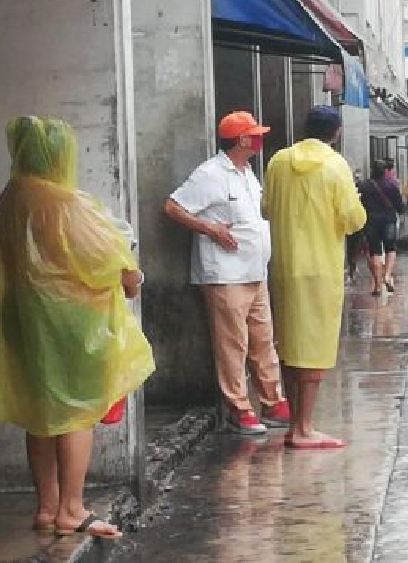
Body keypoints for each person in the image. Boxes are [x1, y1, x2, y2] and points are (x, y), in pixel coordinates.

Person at [0, 116, 155, 539]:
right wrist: (132, 279)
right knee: (76, 413)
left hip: (24, 322)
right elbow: (111, 259)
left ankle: (47, 507)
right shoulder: (65, 203)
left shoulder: (10, 199)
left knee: (42, 413)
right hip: (74, 325)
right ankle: (72, 507)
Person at [164, 111, 289, 435]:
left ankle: (273, 401)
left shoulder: (247, 172)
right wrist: (209, 229)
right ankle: (239, 408)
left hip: (254, 270)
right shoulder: (210, 174)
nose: (261, 139)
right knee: (233, 344)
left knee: (263, 340)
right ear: (243, 140)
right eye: (255, 134)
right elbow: (173, 207)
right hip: (225, 274)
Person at [263, 106, 366, 449]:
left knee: (291, 345)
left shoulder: (278, 162)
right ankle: (304, 428)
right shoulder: (336, 166)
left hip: (284, 266)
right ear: (335, 132)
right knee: (316, 346)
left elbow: (266, 208)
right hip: (320, 267)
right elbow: (353, 220)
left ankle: (295, 424)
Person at [360, 159, 405, 295]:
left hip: (371, 222)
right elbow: (400, 207)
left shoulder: (364, 186)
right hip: (389, 221)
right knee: (390, 248)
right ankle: (387, 275)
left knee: (375, 252)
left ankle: (378, 285)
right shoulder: (391, 185)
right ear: (385, 171)